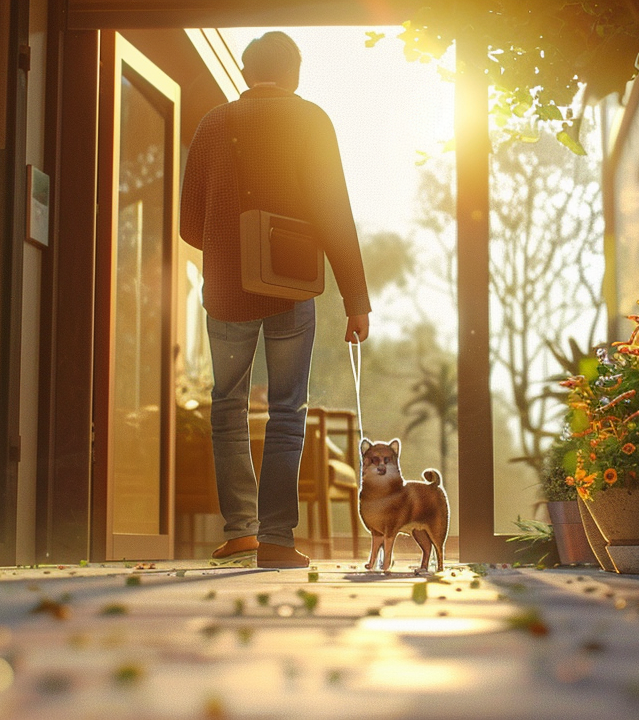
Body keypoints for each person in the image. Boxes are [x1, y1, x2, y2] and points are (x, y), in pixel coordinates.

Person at [179, 31, 370, 569]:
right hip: (289, 288)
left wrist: (229, 247)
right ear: (294, 74)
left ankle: (240, 531)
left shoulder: (213, 124)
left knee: (227, 407)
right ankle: (277, 541)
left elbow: (189, 223)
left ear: (246, 72)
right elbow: (334, 211)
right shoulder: (311, 120)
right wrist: (356, 298)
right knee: (287, 410)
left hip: (224, 291)